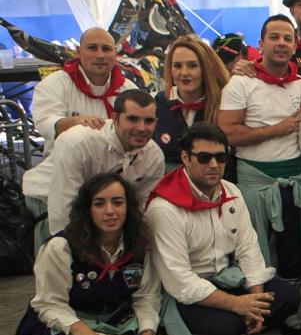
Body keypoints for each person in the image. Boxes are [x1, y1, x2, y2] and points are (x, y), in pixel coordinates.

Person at [146, 125, 301, 335]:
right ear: (185, 158)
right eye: (204, 157)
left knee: (287, 297)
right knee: (226, 325)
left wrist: (255, 302)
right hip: (187, 293)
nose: (214, 165)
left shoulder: (231, 191)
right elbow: (180, 281)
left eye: (221, 157)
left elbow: (248, 249)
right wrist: (236, 304)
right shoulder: (164, 208)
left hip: (226, 277)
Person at [16, 173, 168, 335]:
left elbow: (145, 296)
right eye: (99, 203)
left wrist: (147, 332)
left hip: (116, 320)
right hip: (67, 321)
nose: (110, 211)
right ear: (87, 209)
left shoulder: (139, 244)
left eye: (117, 202)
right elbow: (48, 303)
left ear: (128, 207)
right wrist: (78, 329)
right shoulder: (61, 247)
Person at [218, 14, 301, 334]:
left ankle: (289, 312)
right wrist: (277, 129)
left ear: (295, 45)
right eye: (274, 37)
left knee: (294, 251)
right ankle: (253, 314)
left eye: (288, 38)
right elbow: (227, 134)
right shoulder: (241, 83)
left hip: (295, 178)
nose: (281, 43)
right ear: (261, 43)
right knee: (253, 251)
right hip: (255, 180)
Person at [43, 90, 165, 235]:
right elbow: (62, 208)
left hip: (103, 214)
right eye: (132, 119)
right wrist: (65, 243)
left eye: (149, 121)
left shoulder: (154, 156)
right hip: (46, 203)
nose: (141, 128)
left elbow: (141, 209)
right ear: (115, 118)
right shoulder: (77, 143)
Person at [30, 27, 139, 156]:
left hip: (118, 164)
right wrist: (75, 122)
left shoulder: (129, 89)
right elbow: (45, 123)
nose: (100, 55)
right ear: (78, 51)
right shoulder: (55, 83)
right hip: (64, 163)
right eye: (92, 48)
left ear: (115, 54)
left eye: (106, 49)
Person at [154, 35, 229, 171]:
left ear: (205, 68)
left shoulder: (224, 101)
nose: (184, 73)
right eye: (177, 66)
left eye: (192, 65)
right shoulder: (160, 101)